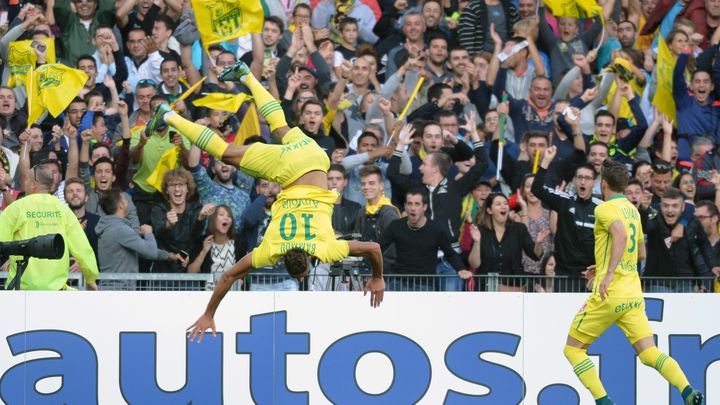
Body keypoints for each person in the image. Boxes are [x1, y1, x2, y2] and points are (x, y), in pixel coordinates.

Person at [147, 61, 384, 341]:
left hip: (318, 159)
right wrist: (209, 314)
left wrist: (378, 276)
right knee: (226, 153)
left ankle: (247, 75)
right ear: (284, 259)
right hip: (291, 169)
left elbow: (372, 247)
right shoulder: (271, 249)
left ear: (308, 257)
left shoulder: (326, 247)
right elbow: (228, 278)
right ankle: (169, 116)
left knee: (280, 126)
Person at [563, 161, 704, 405]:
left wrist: (607, 274)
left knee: (573, 350)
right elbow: (640, 253)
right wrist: (603, 263)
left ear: (603, 184)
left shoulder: (604, 209)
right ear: (626, 185)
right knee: (649, 353)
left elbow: (619, 235)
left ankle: (604, 401)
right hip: (633, 294)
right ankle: (688, 391)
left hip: (610, 293)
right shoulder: (632, 211)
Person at [0, 161, 99, 291]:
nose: (24, 183)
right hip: (55, 293)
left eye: (27, 180)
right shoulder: (63, 210)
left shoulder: (16, 208)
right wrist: (91, 278)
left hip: (21, 292)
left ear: (33, 184)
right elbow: (83, 247)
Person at [381, 189, 471, 291]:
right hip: (398, 284)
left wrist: (461, 269)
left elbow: (449, 253)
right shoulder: (396, 226)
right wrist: (376, 274)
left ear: (424, 207)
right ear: (405, 206)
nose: (412, 208)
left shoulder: (436, 229)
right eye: (409, 204)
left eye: (417, 204)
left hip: (425, 285)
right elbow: (379, 248)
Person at [96, 188, 184, 290]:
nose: (129, 204)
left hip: (115, 290)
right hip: (119, 291)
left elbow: (142, 250)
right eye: (126, 200)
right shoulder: (120, 229)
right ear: (120, 205)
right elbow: (150, 252)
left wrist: (170, 256)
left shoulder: (112, 227)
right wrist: (148, 233)